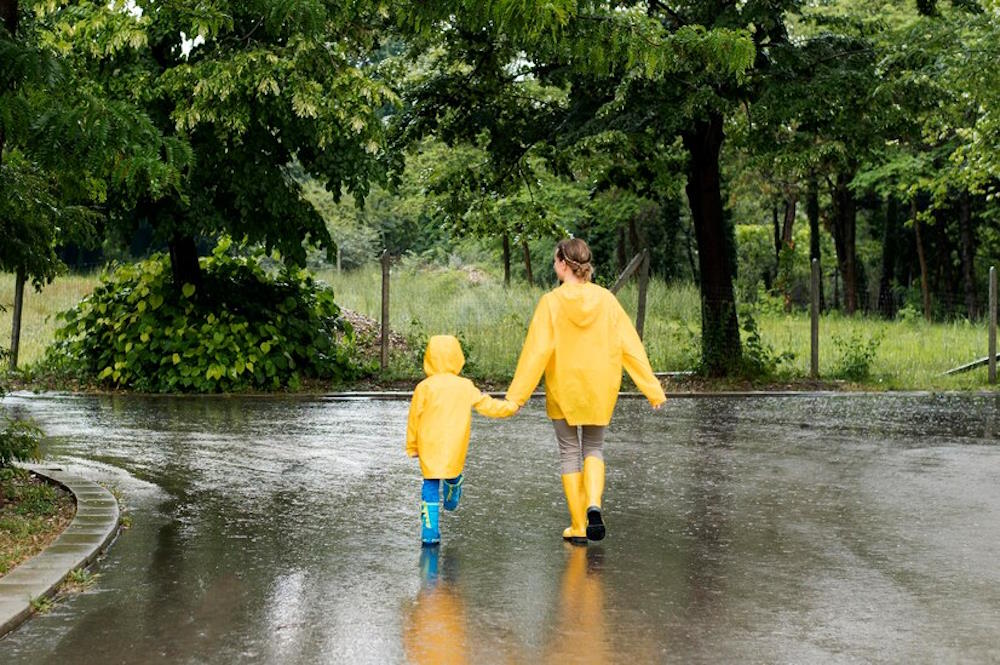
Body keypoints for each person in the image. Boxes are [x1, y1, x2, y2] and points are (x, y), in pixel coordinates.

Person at [505, 238, 666, 544]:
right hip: (599, 386)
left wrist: (517, 396)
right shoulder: (606, 300)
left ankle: (579, 525)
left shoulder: (551, 303)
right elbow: (630, 346)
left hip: (564, 387)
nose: (554, 265)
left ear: (564, 264)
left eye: (555, 260)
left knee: (569, 452)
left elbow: (535, 353)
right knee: (593, 448)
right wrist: (652, 389)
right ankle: (594, 505)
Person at [406, 334, 518, 546]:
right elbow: (487, 405)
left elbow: (414, 418)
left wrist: (412, 445)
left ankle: (429, 532)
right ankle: (453, 487)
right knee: (451, 472)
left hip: (429, 444)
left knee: (430, 483)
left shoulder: (424, 387)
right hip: (454, 443)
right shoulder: (465, 386)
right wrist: (509, 407)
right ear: (458, 357)